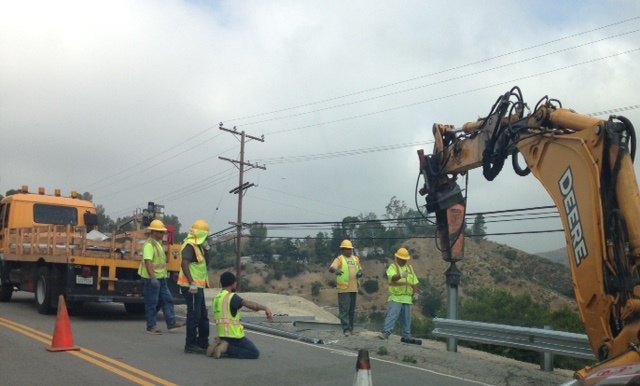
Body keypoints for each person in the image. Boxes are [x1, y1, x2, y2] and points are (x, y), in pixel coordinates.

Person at [207, 271, 273, 359]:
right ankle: (226, 348)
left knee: (243, 348)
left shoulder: (217, 298)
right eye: (235, 283)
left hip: (223, 334)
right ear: (232, 284)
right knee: (254, 353)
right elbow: (248, 304)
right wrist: (265, 308)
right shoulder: (231, 297)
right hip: (234, 336)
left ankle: (219, 343)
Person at [138, 219, 185, 335]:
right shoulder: (149, 245)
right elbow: (148, 262)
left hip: (161, 278)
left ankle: (172, 323)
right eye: (160, 232)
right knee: (152, 303)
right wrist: (153, 278)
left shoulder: (157, 243)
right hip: (152, 279)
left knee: (167, 300)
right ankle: (151, 327)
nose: (163, 234)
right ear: (154, 232)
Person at [178, 220, 211, 354]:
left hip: (199, 286)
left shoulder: (200, 247)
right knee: (194, 315)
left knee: (203, 315)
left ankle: (203, 342)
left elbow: (206, 263)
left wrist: (207, 249)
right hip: (191, 286)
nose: (208, 238)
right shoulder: (189, 246)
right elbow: (184, 264)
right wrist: (191, 282)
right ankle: (190, 344)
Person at [378, 247, 419, 341]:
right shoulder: (393, 267)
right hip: (396, 297)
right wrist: (401, 275)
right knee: (392, 316)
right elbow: (392, 278)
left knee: (407, 319)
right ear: (398, 258)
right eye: (403, 259)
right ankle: (385, 333)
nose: (404, 261)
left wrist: (416, 293)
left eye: (405, 260)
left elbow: (415, 282)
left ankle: (406, 336)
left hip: (407, 298)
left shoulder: (410, 268)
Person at [328, 239, 362, 337]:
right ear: (343, 250)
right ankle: (346, 329)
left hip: (354, 288)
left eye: (349, 249)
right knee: (344, 310)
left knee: (351, 311)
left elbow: (359, 269)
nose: (348, 251)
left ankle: (351, 329)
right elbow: (331, 268)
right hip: (344, 289)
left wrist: (360, 273)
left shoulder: (355, 259)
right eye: (346, 249)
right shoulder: (339, 259)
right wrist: (336, 270)